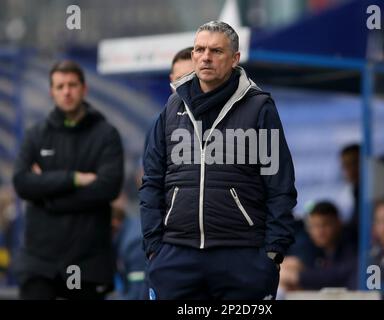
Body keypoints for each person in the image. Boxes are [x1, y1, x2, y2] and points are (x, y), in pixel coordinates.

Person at [140, 21, 297, 300]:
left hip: (243, 257)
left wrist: (272, 253)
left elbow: (280, 185)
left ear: (235, 58)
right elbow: (151, 181)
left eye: (216, 50)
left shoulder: (260, 107)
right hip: (176, 256)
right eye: (199, 49)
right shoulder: (171, 109)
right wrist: (154, 247)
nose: (206, 57)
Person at [12, 60, 124, 300]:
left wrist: (48, 197)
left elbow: (108, 187)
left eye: (72, 85)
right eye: (60, 86)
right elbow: (22, 182)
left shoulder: (106, 134)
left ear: (84, 89)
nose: (66, 91)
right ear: (51, 91)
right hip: (39, 263)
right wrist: (74, 179)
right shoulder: (36, 135)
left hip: (88, 262)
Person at [279, 201, 357, 294]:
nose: (320, 231)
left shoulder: (350, 248)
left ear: (338, 224)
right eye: (315, 226)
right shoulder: (315, 251)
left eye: (325, 225)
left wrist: (296, 277)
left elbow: (337, 275)